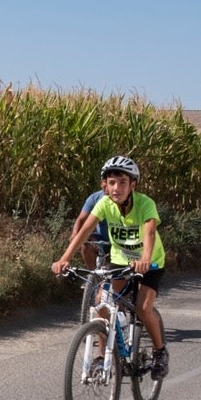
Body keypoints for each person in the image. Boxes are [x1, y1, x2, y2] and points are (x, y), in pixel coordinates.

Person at [53, 155, 170, 378]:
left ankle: (160, 352)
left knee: (143, 308)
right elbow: (84, 231)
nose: (117, 188)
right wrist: (65, 257)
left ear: (132, 185)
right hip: (120, 260)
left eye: (123, 182)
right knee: (102, 303)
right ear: (105, 185)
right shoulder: (105, 203)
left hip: (150, 263)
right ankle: (101, 354)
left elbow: (150, 231)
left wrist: (145, 258)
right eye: (112, 183)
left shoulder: (145, 203)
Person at [70, 186, 113, 268]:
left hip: (122, 241)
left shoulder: (125, 199)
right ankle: (93, 275)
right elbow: (81, 219)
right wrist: (75, 234)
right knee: (86, 245)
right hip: (103, 239)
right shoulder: (94, 199)